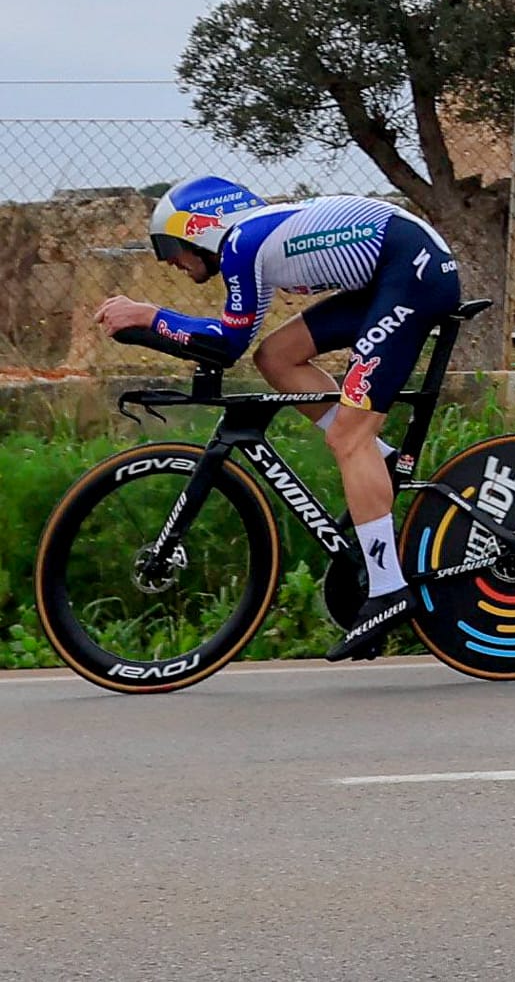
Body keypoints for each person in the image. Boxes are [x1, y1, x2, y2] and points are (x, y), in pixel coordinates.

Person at [94, 176, 462, 660]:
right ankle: (381, 461)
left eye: (171, 249)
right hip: (394, 273)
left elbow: (225, 343)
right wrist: (151, 327)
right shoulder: (255, 245)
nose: (171, 264)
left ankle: (388, 590)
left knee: (350, 436)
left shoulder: (243, 242)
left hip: (412, 272)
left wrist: (149, 315)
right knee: (277, 356)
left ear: (199, 230)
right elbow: (235, 346)